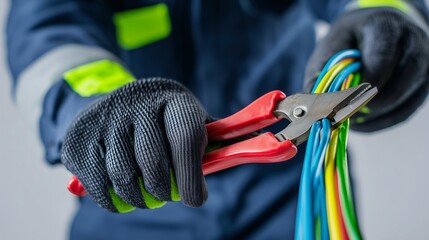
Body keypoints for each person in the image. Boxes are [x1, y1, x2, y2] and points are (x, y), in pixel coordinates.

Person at [6, 0, 429, 239]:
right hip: (138, 184)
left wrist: (388, 18)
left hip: (292, 182)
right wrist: (101, 106)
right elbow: (49, 37)